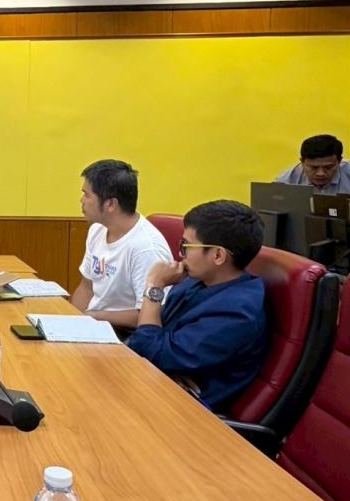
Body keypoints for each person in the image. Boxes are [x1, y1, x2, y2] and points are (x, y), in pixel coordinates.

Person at [130, 200, 268, 412]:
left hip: (185, 411)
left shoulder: (236, 312)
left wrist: (154, 286)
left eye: (186, 246)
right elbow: (153, 340)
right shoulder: (196, 281)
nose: (180, 255)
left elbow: (149, 349)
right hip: (158, 383)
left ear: (218, 255)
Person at [70, 160, 173, 331]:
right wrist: (71, 322)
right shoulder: (97, 229)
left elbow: (151, 313)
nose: (82, 201)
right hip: (96, 325)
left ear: (111, 204)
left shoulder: (146, 248)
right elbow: (86, 287)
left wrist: (95, 316)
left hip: (127, 332)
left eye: (87, 195)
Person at [275, 134, 350, 195]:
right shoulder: (285, 182)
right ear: (302, 162)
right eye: (314, 167)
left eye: (328, 167)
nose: (321, 173)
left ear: (339, 161)